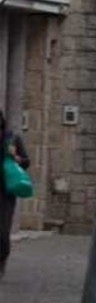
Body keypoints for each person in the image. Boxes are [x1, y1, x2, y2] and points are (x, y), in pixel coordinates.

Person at [0, 110, 30, 280]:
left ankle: (2, 259)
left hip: (5, 192)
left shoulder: (12, 139)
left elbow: (26, 162)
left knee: (3, 233)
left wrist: (15, 156)